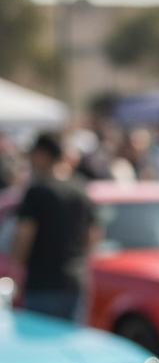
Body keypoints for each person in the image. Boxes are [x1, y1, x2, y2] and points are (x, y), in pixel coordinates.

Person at [10, 132, 101, 321]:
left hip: (43, 284)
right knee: (69, 344)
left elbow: (24, 235)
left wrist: (16, 261)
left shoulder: (37, 192)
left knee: (42, 345)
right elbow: (94, 234)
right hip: (75, 281)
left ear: (43, 154)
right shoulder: (80, 188)